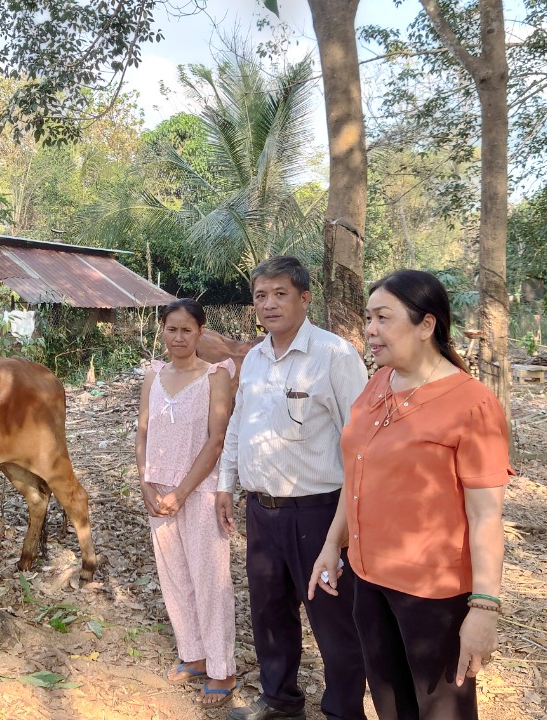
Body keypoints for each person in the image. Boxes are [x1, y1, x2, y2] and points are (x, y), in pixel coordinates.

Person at [308, 269, 512, 720]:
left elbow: (486, 516)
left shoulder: (471, 403)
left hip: (433, 594)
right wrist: (331, 544)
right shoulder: (377, 384)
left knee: (441, 711)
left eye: (383, 317)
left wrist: (484, 609)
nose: (370, 330)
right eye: (368, 318)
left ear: (426, 325)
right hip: (369, 579)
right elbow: (356, 472)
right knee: (390, 703)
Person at [215, 256, 370, 720]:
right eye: (261, 296)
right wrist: (226, 483)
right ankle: (280, 700)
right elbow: (239, 424)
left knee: (333, 618)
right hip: (261, 510)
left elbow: (360, 441)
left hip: (319, 513)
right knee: (268, 612)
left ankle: (344, 711)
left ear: (305, 298)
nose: (269, 304)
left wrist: (347, 523)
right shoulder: (255, 359)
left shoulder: (335, 355)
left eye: (280, 294)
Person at [137, 298, 239, 708]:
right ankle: (194, 655)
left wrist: (181, 492)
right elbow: (142, 433)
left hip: (199, 493)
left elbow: (216, 441)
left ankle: (223, 669)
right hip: (158, 491)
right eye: (171, 328)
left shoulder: (216, 376)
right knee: (174, 576)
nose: (178, 337)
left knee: (210, 580)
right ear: (162, 331)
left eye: (187, 330)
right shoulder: (153, 375)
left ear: (200, 333)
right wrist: (146, 482)